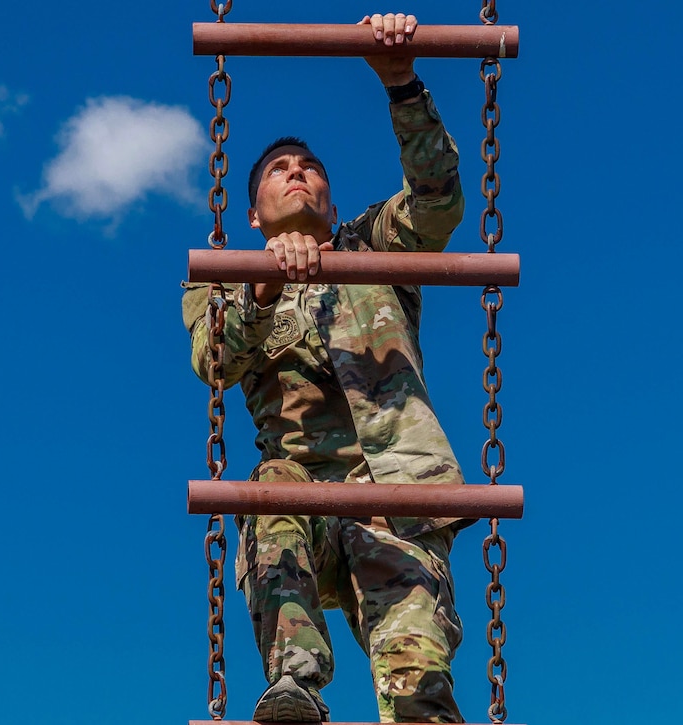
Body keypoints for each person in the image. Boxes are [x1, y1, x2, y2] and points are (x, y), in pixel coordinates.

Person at [183, 12, 469, 723]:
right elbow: (213, 357)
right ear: (254, 213)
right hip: (301, 498)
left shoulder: (373, 247)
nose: (296, 173)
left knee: (418, 685)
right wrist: (264, 286)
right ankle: (295, 682)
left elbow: (437, 205)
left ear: (332, 200)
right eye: (279, 170)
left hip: (397, 496)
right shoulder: (225, 280)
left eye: (309, 167)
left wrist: (401, 82)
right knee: (270, 489)